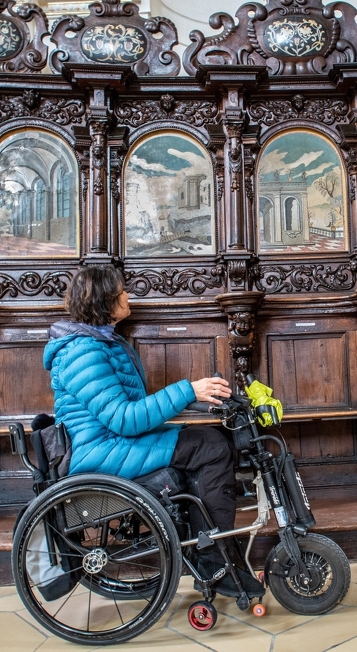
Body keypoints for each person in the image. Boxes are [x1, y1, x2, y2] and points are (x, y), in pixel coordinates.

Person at [43, 265, 264, 599]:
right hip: (100, 453)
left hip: (112, 444)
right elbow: (124, 419)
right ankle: (213, 558)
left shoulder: (102, 344)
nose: (127, 296)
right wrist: (188, 391)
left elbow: (128, 415)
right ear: (105, 301)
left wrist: (193, 402)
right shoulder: (84, 352)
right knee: (212, 447)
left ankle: (216, 554)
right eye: (121, 292)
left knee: (206, 441)